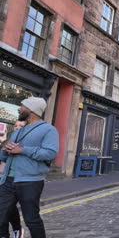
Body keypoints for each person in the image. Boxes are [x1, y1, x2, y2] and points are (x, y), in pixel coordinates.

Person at [0, 97, 59, 238]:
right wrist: (5, 150)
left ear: (31, 110)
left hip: (30, 182)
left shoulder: (48, 130)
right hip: (7, 180)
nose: (19, 109)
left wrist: (22, 150)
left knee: (31, 219)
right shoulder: (18, 131)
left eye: (22, 106)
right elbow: (6, 156)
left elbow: (50, 153)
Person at [0, 120, 26, 238]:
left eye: (21, 126)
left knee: (5, 209)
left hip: (17, 181)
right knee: (6, 208)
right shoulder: (7, 142)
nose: (17, 128)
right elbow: (2, 158)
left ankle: (16, 229)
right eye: (15, 125)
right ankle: (16, 230)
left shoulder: (26, 144)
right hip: (5, 179)